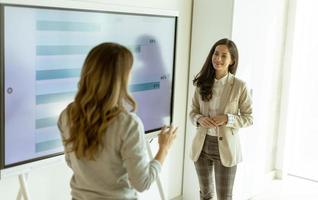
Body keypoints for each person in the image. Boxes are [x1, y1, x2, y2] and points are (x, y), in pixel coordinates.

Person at [57, 42, 177, 200]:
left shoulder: (66, 115)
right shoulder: (128, 124)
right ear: (121, 78)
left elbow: (72, 163)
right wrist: (164, 149)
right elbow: (142, 183)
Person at [189, 38, 253, 200]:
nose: (218, 59)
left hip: (226, 148)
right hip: (202, 146)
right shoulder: (202, 83)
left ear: (232, 60)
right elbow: (193, 112)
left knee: (224, 197)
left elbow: (249, 118)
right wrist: (200, 119)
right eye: (216, 54)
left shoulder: (240, 86)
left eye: (224, 56)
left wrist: (227, 118)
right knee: (205, 195)